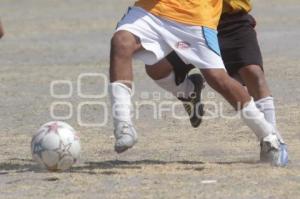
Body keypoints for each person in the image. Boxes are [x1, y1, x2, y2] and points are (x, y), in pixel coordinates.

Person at [108, 0, 288, 166]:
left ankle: (268, 135)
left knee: (220, 78)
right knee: (122, 43)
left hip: (199, 15)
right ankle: (124, 125)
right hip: (155, 9)